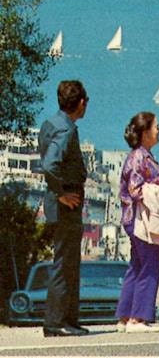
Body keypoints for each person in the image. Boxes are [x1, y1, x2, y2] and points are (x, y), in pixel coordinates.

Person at [115, 112, 159, 333]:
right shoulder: (139, 157)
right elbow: (136, 189)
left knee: (137, 265)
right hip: (141, 219)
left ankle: (125, 316)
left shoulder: (143, 155)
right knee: (150, 265)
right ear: (145, 132)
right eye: (156, 126)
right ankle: (138, 319)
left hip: (134, 219)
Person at [37, 80, 90, 337]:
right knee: (65, 263)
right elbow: (50, 165)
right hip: (65, 203)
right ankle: (56, 322)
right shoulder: (66, 131)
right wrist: (61, 194)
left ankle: (68, 320)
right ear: (80, 103)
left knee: (68, 262)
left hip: (58, 201)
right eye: (86, 101)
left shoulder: (51, 123)